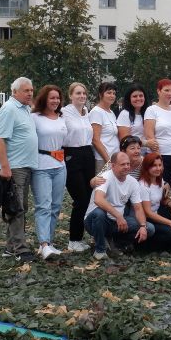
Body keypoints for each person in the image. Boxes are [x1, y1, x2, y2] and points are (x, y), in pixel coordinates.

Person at [0, 77, 39, 264]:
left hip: (24, 165)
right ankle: (21, 249)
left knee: (18, 207)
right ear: (15, 92)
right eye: (26, 90)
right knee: (17, 208)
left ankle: (11, 247)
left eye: (31, 90)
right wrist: (5, 167)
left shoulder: (25, 109)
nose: (30, 93)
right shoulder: (9, 109)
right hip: (14, 167)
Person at [85, 150, 148, 261]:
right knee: (99, 213)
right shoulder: (105, 177)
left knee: (141, 226)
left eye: (128, 164)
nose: (126, 167)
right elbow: (98, 200)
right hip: (94, 221)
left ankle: (116, 243)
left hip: (116, 223)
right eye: (123, 164)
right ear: (113, 166)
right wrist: (119, 216)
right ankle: (100, 250)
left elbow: (138, 208)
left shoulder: (133, 182)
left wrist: (143, 226)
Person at [30, 85, 68, 261]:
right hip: (41, 166)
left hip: (60, 166)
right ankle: (44, 244)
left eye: (58, 98)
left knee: (55, 206)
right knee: (43, 205)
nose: (55, 101)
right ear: (44, 98)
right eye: (52, 98)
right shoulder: (34, 117)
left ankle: (49, 243)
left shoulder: (61, 118)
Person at [61, 83, 96, 253]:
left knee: (89, 197)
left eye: (84, 93)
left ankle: (80, 237)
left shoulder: (86, 112)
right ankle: (73, 240)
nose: (82, 96)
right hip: (71, 156)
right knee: (80, 199)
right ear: (70, 95)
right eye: (78, 93)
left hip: (87, 155)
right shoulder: (64, 112)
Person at [135, 153, 171, 252]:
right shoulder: (143, 185)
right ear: (147, 167)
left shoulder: (159, 179)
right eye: (154, 166)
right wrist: (170, 223)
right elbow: (148, 213)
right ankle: (143, 246)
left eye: (160, 165)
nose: (158, 168)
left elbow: (161, 199)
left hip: (157, 212)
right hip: (147, 218)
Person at [145, 78, 171, 184]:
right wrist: (158, 158)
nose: (169, 93)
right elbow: (149, 135)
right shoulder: (152, 110)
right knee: (160, 187)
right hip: (160, 156)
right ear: (159, 91)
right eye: (166, 90)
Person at [90, 82, 120, 170]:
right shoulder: (96, 112)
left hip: (115, 157)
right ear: (100, 95)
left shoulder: (111, 113)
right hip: (103, 159)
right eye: (109, 93)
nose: (112, 96)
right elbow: (95, 140)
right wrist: (108, 160)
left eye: (114, 93)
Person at [116, 83, 150, 151]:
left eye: (141, 96)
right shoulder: (125, 114)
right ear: (129, 99)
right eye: (134, 96)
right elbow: (124, 139)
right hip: (132, 155)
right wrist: (146, 143)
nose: (138, 98)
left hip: (148, 154)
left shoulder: (148, 113)